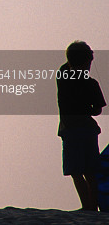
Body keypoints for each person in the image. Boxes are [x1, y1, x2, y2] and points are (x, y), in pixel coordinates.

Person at [57, 41, 105, 211]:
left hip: (70, 130)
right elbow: (98, 109)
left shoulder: (63, 77)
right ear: (87, 62)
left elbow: (65, 66)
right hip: (87, 130)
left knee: (76, 170)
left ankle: (87, 205)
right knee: (90, 171)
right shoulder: (92, 84)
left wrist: (74, 58)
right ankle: (92, 205)